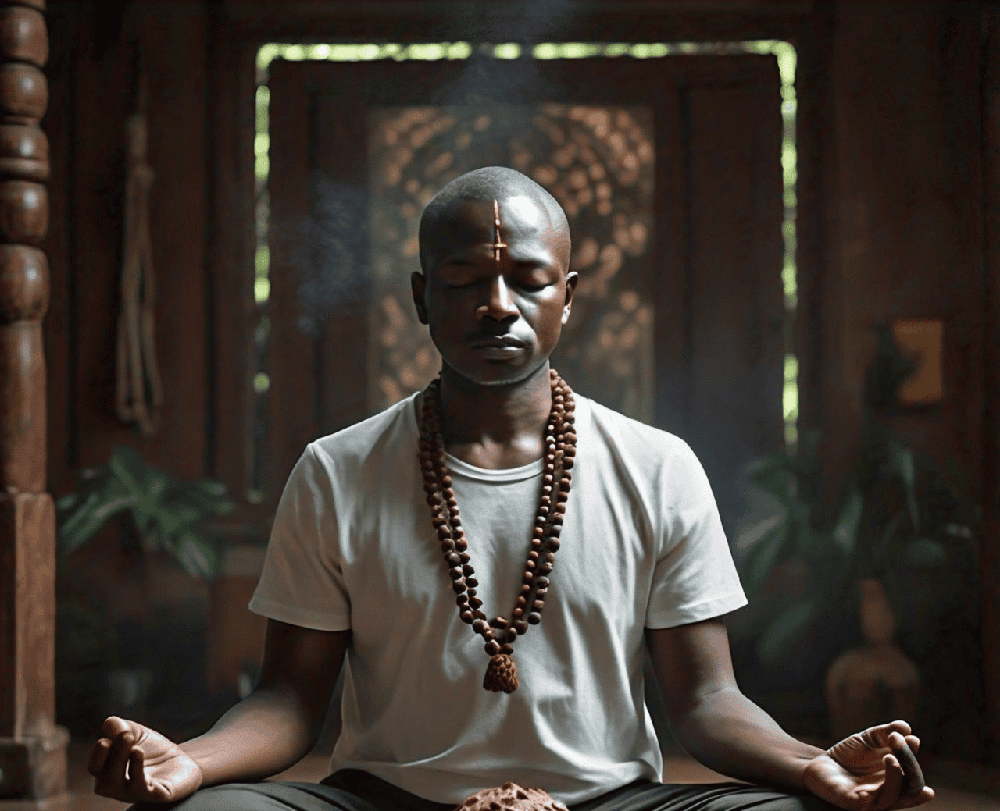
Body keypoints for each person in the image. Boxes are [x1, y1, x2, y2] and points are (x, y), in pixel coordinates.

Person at [88, 167, 935, 811]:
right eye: (462, 281)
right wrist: (192, 759)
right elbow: (287, 699)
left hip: (607, 800)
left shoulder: (657, 465)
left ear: (567, 298)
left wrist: (808, 760)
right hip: (387, 797)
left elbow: (706, 698)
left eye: (528, 279)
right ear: (423, 298)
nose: (498, 305)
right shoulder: (336, 468)